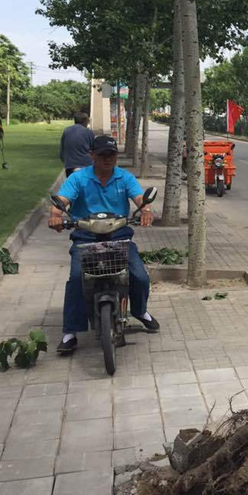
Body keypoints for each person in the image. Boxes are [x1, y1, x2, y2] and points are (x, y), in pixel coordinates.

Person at [49, 135, 159, 354]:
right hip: (86, 238)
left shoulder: (124, 178)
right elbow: (62, 201)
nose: (107, 159)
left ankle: (140, 310)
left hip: (119, 237)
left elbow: (139, 199)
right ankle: (70, 332)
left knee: (139, 276)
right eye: (102, 155)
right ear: (92, 156)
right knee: (77, 278)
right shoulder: (79, 179)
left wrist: (146, 210)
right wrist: (55, 214)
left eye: (111, 155)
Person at [59, 112, 95, 177]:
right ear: (84, 121)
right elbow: (93, 149)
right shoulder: (88, 132)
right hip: (86, 164)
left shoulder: (66, 131)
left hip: (70, 165)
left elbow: (62, 150)